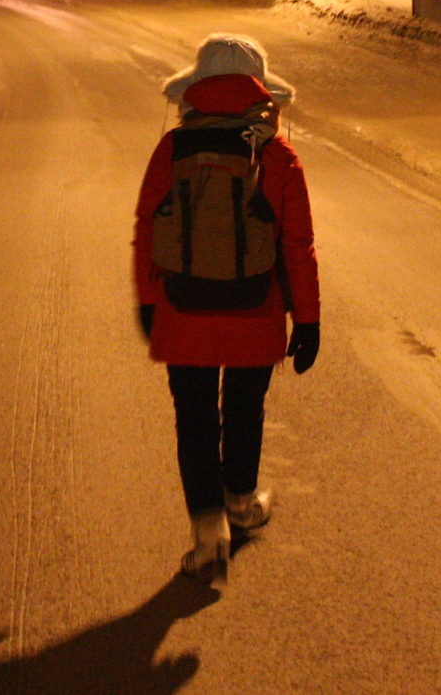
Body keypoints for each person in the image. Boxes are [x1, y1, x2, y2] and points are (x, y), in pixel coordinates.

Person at [132, 34, 321, 582]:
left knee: (193, 419)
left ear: (196, 89)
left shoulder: (171, 150)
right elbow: (297, 246)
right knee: (243, 409)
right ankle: (241, 501)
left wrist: (148, 303)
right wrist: (307, 321)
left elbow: (148, 231)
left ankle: (208, 534)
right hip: (255, 311)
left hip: (183, 310)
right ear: (260, 91)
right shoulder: (279, 155)